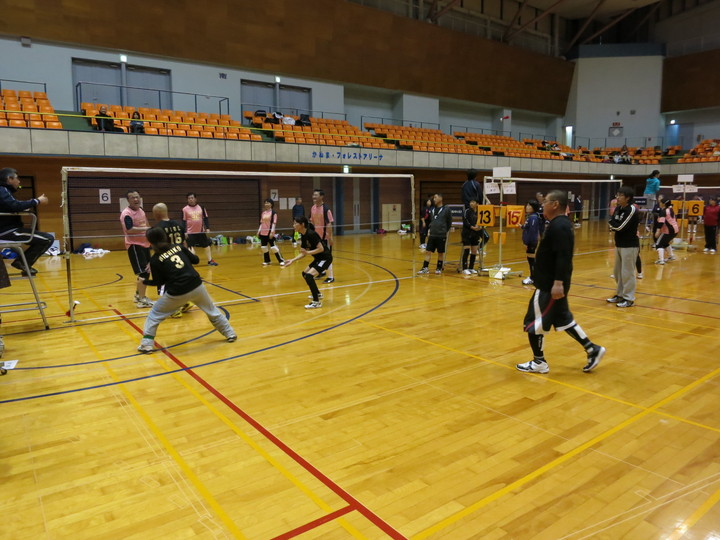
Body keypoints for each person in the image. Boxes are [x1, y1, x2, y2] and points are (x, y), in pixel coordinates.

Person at [516, 190, 605, 374]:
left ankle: (539, 362)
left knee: (533, 322)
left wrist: (558, 283)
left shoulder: (560, 226)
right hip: (551, 283)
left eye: (546, 202)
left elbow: (564, 257)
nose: (543, 205)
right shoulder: (557, 223)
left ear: (555, 204)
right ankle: (592, 349)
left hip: (549, 285)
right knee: (563, 319)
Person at [137, 227, 236, 353]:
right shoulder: (178, 247)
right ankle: (230, 333)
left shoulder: (155, 260)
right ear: (165, 237)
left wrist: (144, 282)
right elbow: (196, 260)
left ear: (149, 242)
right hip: (196, 285)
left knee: (154, 314)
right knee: (212, 310)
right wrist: (189, 252)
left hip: (177, 292)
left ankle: (146, 345)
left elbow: (159, 282)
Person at [0, 167, 52, 276]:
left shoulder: (4, 191)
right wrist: (37, 201)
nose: (19, 181)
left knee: (45, 238)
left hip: (8, 229)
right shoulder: (2, 189)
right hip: (8, 231)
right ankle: (23, 263)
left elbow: (10, 206)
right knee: (47, 239)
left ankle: (22, 262)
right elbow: (14, 205)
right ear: (9, 179)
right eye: (17, 178)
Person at [284, 216, 332, 309]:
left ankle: (316, 302)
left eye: (295, 223)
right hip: (318, 259)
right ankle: (317, 294)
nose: (293, 225)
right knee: (305, 274)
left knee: (309, 276)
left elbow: (321, 249)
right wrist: (292, 260)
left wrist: (308, 252)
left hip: (325, 258)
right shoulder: (303, 235)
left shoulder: (311, 234)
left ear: (302, 224)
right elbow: (303, 253)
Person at [153, 202, 191, 318]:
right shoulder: (178, 225)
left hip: (167, 261)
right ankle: (185, 302)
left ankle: (174, 309)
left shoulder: (158, 228)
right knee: (179, 282)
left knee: (165, 286)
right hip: (180, 258)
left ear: (157, 213)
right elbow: (184, 241)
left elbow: (158, 248)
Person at [607, 186, 640, 308]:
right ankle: (620, 294)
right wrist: (613, 224)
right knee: (617, 272)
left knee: (627, 272)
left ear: (628, 198)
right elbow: (612, 222)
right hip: (619, 244)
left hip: (630, 245)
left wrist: (613, 225)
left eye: (620, 195)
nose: (617, 198)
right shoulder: (618, 208)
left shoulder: (631, 210)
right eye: (617, 195)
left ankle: (629, 298)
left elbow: (620, 227)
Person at [120, 190, 153, 308]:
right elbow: (129, 229)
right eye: (132, 198)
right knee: (143, 272)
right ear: (128, 200)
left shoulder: (141, 210)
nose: (135, 199)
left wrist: (150, 234)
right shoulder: (126, 214)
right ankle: (142, 300)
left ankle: (138, 295)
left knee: (147, 270)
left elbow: (147, 224)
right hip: (134, 245)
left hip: (145, 244)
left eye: (137, 197)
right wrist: (146, 229)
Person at [417, 193, 452, 275]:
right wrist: (430, 229)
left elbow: (449, 222)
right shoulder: (432, 210)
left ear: (441, 198)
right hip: (432, 234)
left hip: (441, 235)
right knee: (428, 251)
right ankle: (425, 268)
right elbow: (431, 221)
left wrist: (444, 230)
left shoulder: (446, 209)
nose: (434, 199)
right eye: (433, 198)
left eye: (435, 197)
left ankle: (439, 268)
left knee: (440, 252)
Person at [182, 192, 218, 266]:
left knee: (206, 245)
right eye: (189, 198)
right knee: (190, 248)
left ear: (195, 199)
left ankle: (210, 261)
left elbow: (205, 218)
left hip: (200, 231)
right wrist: (184, 232)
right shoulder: (184, 209)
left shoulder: (201, 207)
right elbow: (183, 221)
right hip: (190, 232)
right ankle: (190, 263)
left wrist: (207, 228)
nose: (191, 199)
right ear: (187, 200)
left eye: (192, 198)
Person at [309, 188, 334, 283]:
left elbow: (329, 224)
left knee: (327, 257)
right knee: (318, 256)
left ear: (321, 196)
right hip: (316, 238)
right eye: (313, 195)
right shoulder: (313, 208)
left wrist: (330, 237)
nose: (314, 197)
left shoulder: (326, 209)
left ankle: (331, 277)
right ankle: (321, 271)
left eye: (316, 195)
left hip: (325, 238)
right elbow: (312, 222)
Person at [521, 199, 543, 285]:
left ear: (534, 207)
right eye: (527, 205)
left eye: (529, 206)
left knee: (531, 260)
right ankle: (533, 277)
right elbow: (527, 227)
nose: (527, 207)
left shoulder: (533, 217)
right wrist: (521, 226)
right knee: (530, 260)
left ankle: (533, 278)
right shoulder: (531, 216)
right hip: (530, 241)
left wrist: (527, 243)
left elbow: (532, 231)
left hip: (531, 242)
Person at [257, 198, 285, 266]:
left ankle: (281, 260)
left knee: (273, 247)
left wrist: (272, 232)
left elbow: (274, 223)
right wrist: (258, 231)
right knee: (264, 247)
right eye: (265, 203)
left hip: (269, 232)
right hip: (263, 232)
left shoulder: (273, 213)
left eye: (268, 203)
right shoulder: (263, 213)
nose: (266, 204)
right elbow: (261, 223)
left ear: (271, 204)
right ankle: (267, 261)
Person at [460, 199, 483, 274]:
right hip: (467, 233)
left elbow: (482, 221)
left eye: (473, 202)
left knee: (474, 251)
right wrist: (472, 227)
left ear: (477, 204)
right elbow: (465, 221)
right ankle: (464, 268)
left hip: (475, 234)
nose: (471, 203)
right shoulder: (467, 211)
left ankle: (471, 267)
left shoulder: (479, 212)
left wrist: (479, 226)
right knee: (467, 249)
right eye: (471, 202)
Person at [654, 198, 679, 265]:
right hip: (675, 230)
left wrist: (657, 231)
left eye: (660, 202)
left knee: (658, 244)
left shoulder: (663, 212)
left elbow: (661, 223)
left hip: (668, 231)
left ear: (664, 204)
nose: (659, 204)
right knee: (665, 243)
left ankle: (661, 260)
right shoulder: (670, 209)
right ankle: (671, 256)